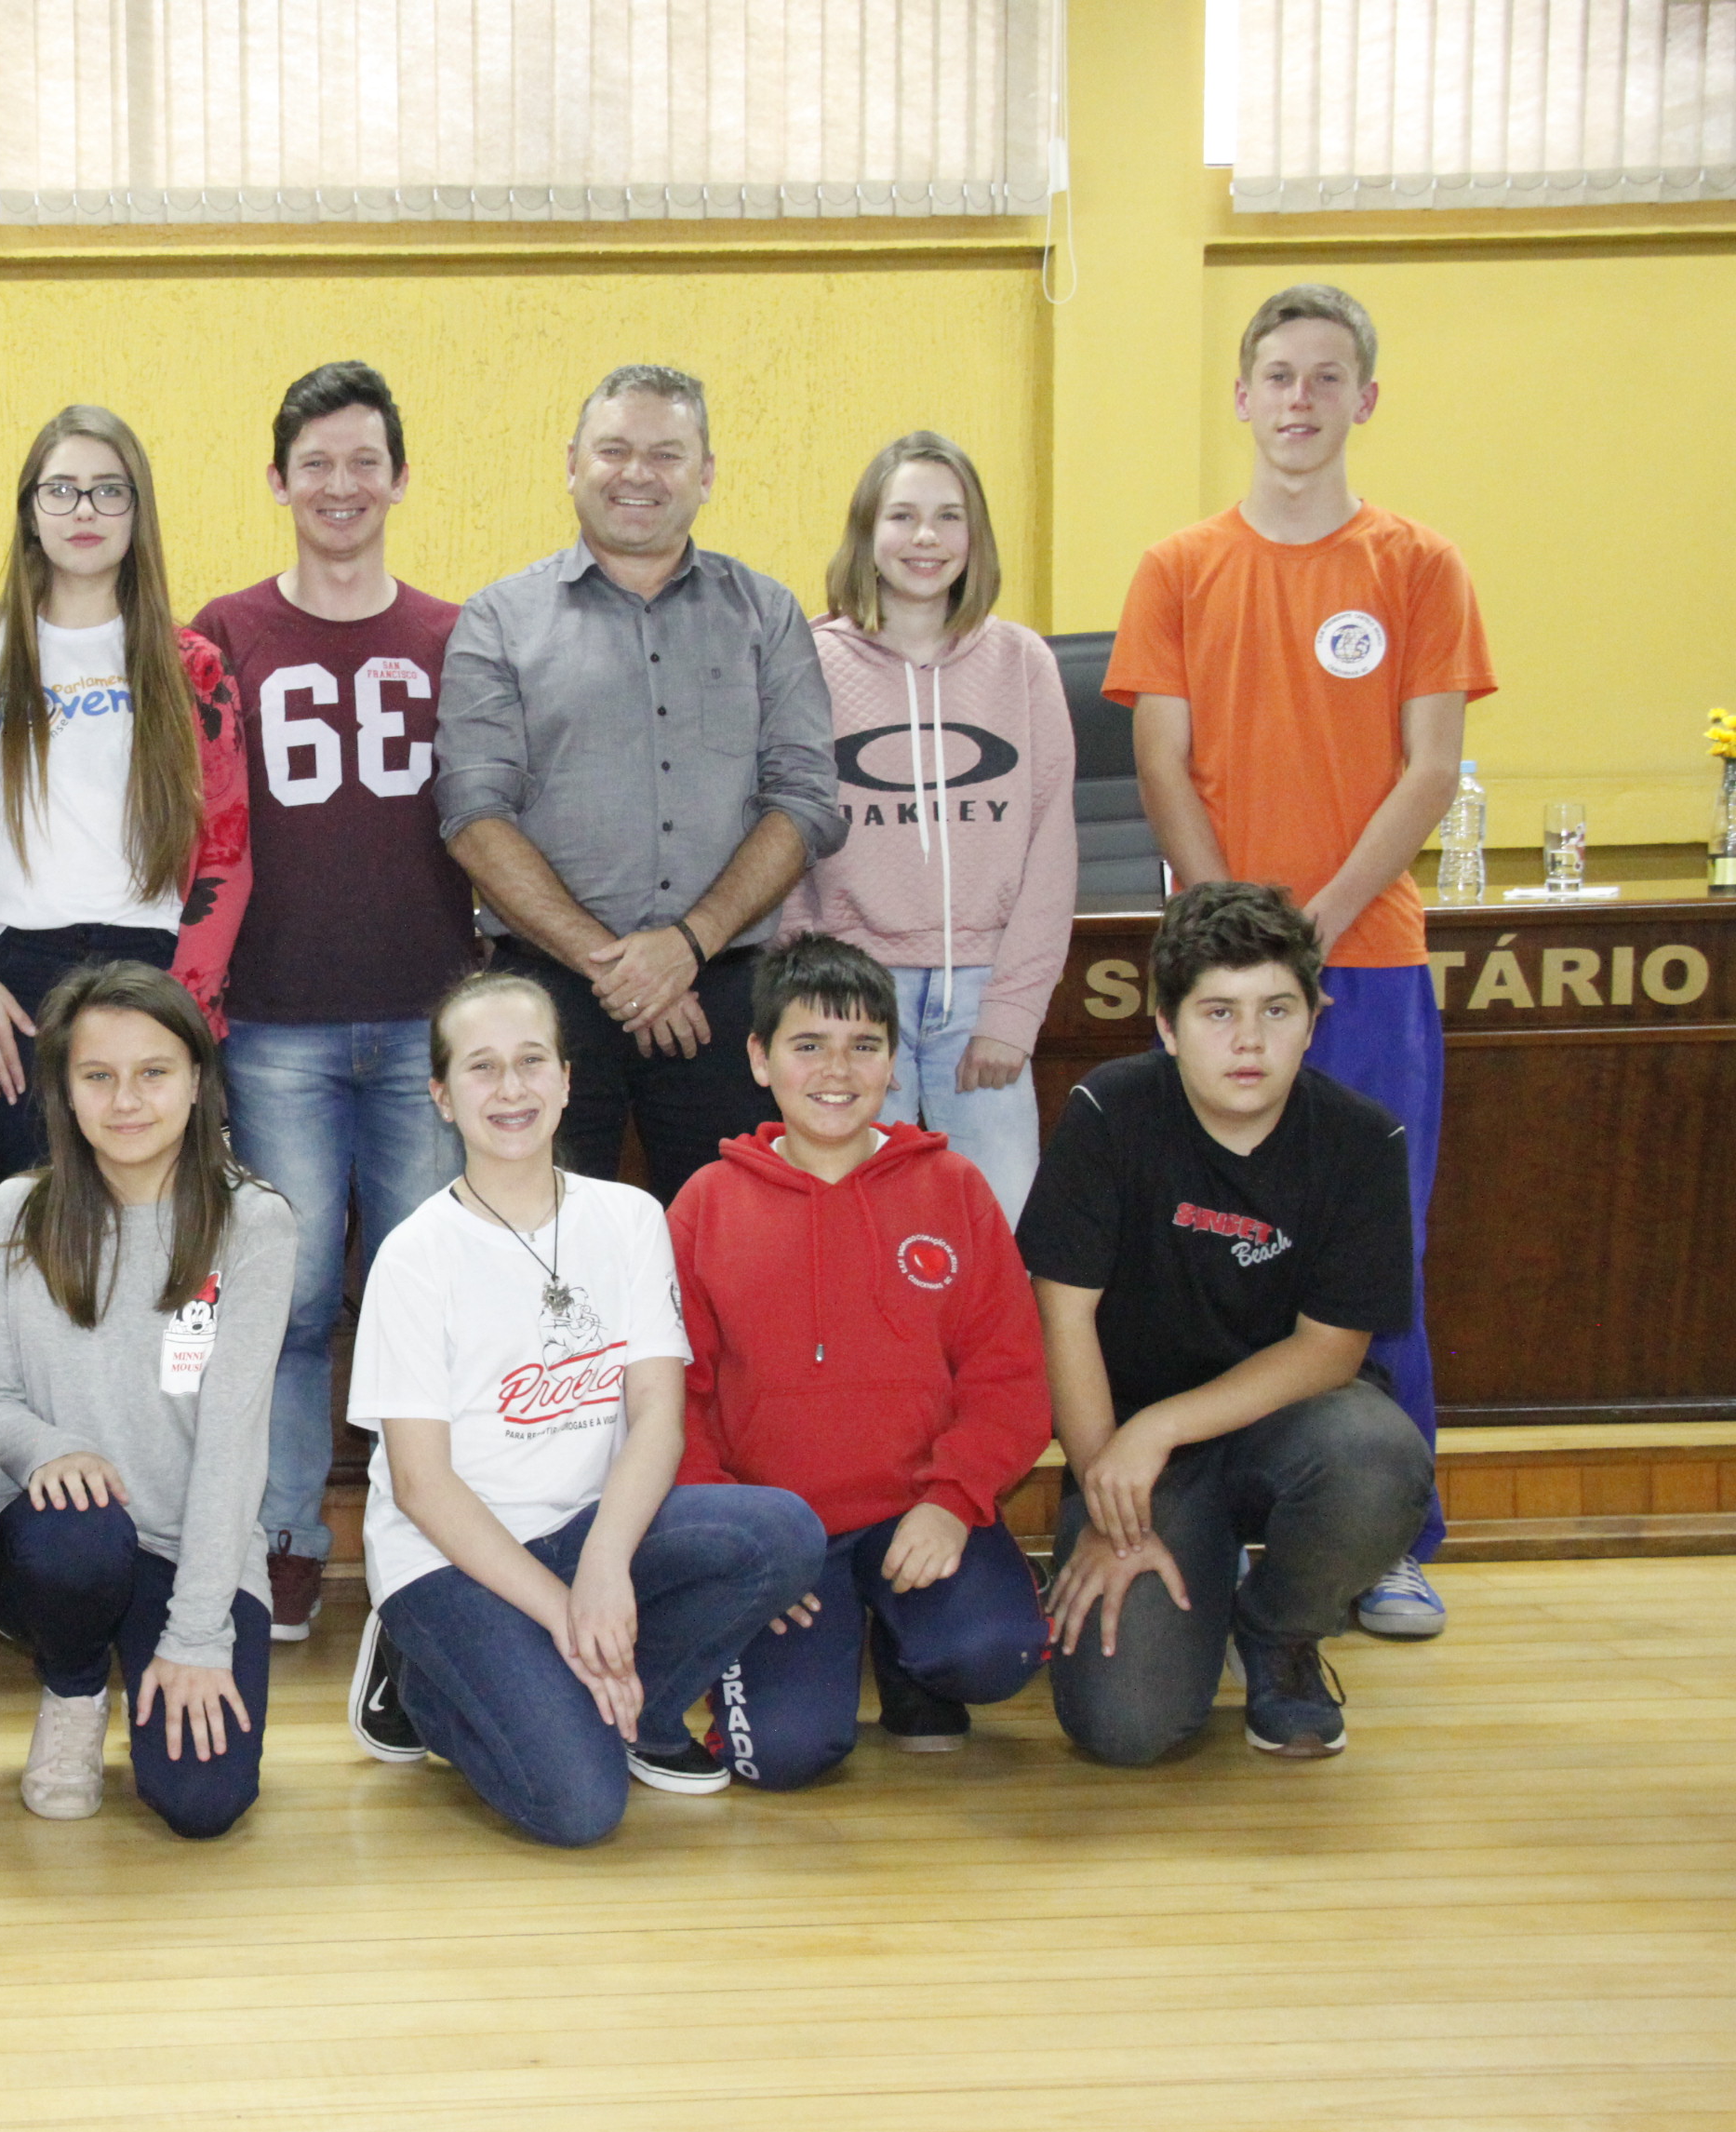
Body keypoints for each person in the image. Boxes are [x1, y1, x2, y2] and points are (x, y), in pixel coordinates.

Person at [1108, 285, 1493, 1644]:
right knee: (1203, 1252)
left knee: (1373, 1254)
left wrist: (1311, 935)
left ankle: (1387, 1538)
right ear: (1242, 395)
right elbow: (1160, 761)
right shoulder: (1178, 567)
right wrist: (1236, 951)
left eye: (1329, 377)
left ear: (1365, 401)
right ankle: (1215, 1511)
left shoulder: (1419, 566)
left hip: (1370, 964)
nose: (1301, 399)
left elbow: (1431, 768)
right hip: (1218, 974)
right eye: (1278, 374)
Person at [342, 972, 821, 1846]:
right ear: (442, 1098)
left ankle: (638, 1709)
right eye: (482, 1069)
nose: (513, 1088)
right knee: (578, 1808)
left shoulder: (630, 1218)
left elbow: (659, 1419)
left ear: (567, 1079)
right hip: (453, 1558)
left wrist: (602, 1570)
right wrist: (567, 1616)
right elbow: (420, 1486)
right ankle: (424, 1681)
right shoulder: (414, 1258)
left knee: (783, 1533)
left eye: (532, 1061)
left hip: (592, 1532)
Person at [1020, 882, 1435, 1765]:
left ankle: (1280, 1628)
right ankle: (1186, 1576)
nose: (1249, 1041)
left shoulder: (1362, 1143)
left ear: (1313, 1020)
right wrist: (1108, 1503)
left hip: (1288, 1427)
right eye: (1218, 1012)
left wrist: (1165, 1425)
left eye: (1276, 1010)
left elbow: (1332, 1349)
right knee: (1125, 1727)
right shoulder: (1109, 1112)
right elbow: (1065, 1318)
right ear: (1166, 1026)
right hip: (1128, 1454)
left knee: (1379, 1456)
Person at [192, 359, 473, 1644]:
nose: (343, 486)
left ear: (401, 478)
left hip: (427, 1019)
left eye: (366, 462)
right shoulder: (226, 631)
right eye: (318, 464)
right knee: (293, 1296)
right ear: (278, 480)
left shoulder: (456, 633)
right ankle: (289, 1532)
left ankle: (425, 1535)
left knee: (423, 1292)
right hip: (279, 1019)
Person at [434, 364, 844, 1200]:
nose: (637, 473)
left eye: (665, 453)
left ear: (706, 472)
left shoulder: (767, 614)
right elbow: (473, 813)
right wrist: (623, 970)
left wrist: (687, 944)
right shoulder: (498, 620)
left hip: (724, 993)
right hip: (549, 996)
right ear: (572, 463)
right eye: (613, 449)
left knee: (732, 1256)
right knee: (545, 1255)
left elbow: (804, 799)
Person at [666, 935, 1051, 1790]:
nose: (837, 1070)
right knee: (784, 1757)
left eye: (864, 1046)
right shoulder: (705, 1205)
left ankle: (915, 1660)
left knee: (995, 1653)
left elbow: (1010, 1380)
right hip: (782, 1534)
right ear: (761, 1059)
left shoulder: (953, 1187)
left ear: (891, 1063)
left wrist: (954, 1503)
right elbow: (673, 1402)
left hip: (917, 1515)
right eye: (808, 1046)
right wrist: (743, 1547)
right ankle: (824, 1653)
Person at [0, 962, 297, 1836]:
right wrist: (50, 1451)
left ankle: (149, 1646)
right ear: (64, 1093)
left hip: (196, 1546)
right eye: (97, 1076)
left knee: (202, 1804)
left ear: (197, 1082)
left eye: (153, 1072)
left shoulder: (252, 1222)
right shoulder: (13, 1215)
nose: (127, 1101)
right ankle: (73, 1689)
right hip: (58, 1540)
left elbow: (233, 1443)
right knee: (80, 1533)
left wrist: (196, 1635)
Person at [0, 406, 250, 1181]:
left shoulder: (192, 664)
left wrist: (186, 1008)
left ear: (137, 512)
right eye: (63, 490)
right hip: (17, 981)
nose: (84, 511)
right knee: (44, 1229)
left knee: (157, 1238)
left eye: (109, 491)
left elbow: (227, 848)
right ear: (29, 511)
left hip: (153, 962)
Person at [784, 432, 1075, 1224]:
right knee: (857, 1231)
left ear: (974, 536)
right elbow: (779, 836)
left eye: (949, 517)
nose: (925, 538)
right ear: (866, 533)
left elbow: (1052, 848)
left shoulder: (1023, 663)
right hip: (851, 997)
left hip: (982, 996)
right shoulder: (806, 661)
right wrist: (811, 992)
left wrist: (1013, 1016)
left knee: (1000, 1231)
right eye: (902, 515)